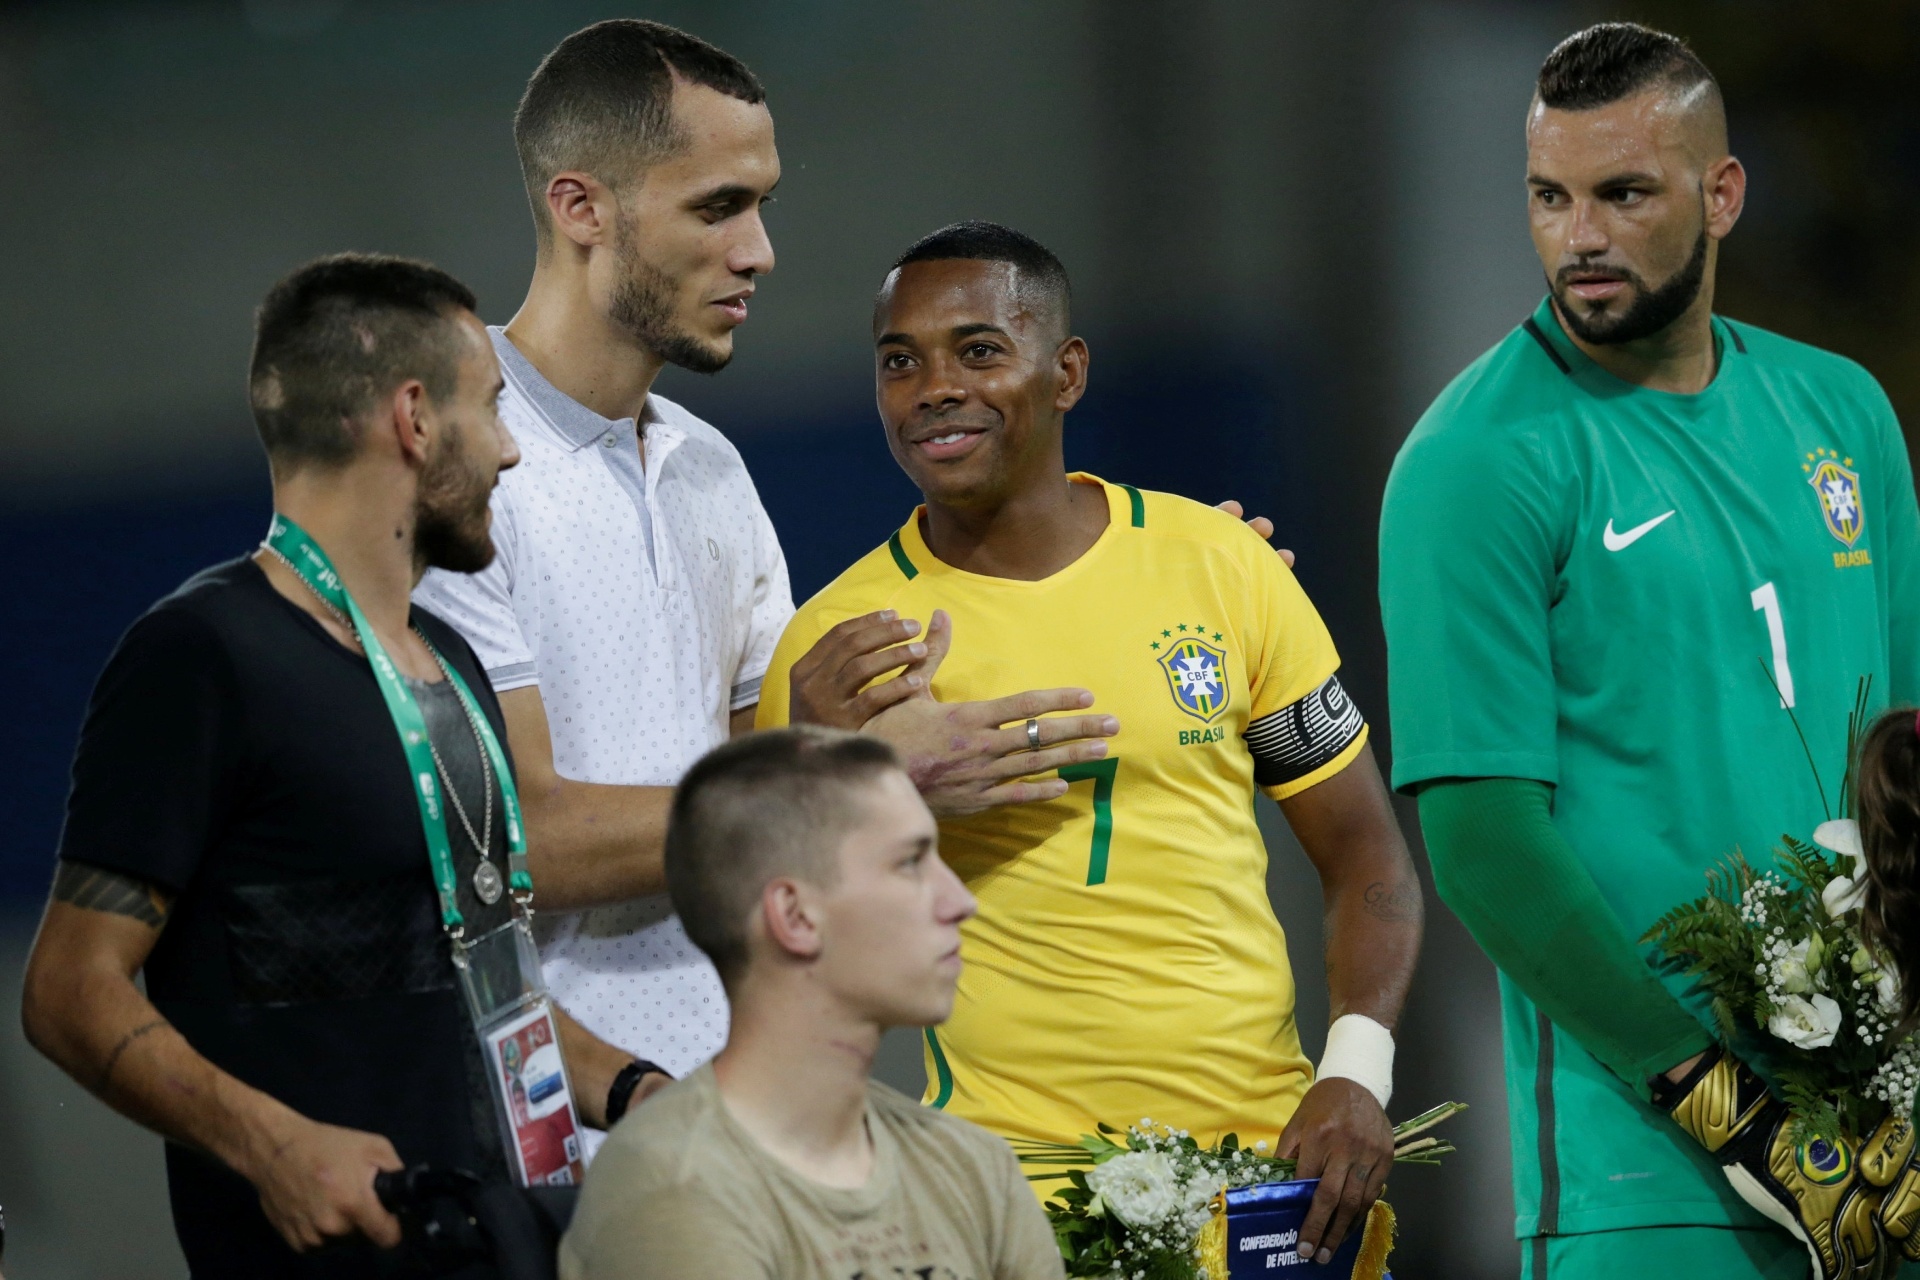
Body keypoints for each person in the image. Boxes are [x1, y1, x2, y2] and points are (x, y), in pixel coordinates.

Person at [411, 20, 1124, 1125]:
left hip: (741, 1133)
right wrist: (845, 776)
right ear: (579, 207)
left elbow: (765, 760)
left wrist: (1159, 562)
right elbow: (518, 841)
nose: (759, 252)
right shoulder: (455, 470)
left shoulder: (711, 469)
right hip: (551, 1150)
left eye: (762, 205)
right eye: (717, 207)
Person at [755, 221, 1424, 1266]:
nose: (934, 385)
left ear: (1066, 371)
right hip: (1003, 1196)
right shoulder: (836, 652)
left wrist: (1355, 1070)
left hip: (1265, 1180)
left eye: (978, 349)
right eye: (901, 360)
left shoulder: (1226, 568)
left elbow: (1366, 856)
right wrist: (816, 767)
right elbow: (781, 946)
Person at [1378, 23, 1920, 1280]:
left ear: (1722, 194)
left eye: (1624, 194)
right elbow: (1484, 839)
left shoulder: (1843, 412)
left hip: (1881, 1155)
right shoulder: (1476, 462)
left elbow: (1900, 777)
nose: (1580, 237)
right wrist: (1735, 1114)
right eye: (1550, 197)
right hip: (1651, 1187)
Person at [21, 254, 638, 1276]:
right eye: (491, 407)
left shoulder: (455, 666)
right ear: (414, 417)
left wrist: (641, 1090)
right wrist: (272, 1146)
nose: (512, 453)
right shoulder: (202, 654)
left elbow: (481, 984)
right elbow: (67, 988)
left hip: (517, 1249)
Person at [559, 727, 1064, 1280]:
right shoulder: (669, 1185)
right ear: (796, 917)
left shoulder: (973, 1166)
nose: (959, 902)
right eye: (911, 863)